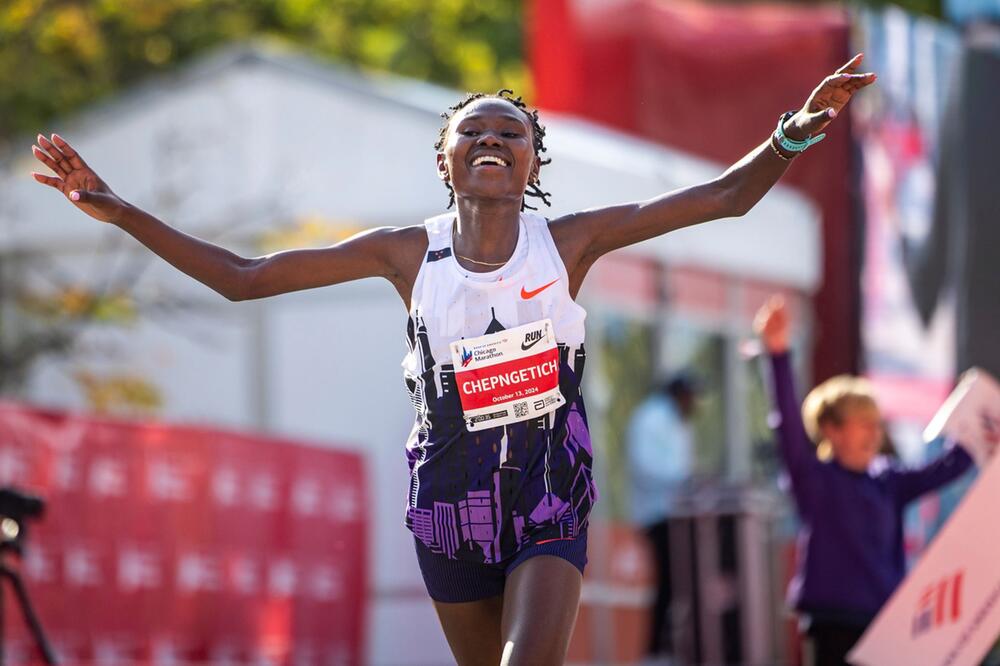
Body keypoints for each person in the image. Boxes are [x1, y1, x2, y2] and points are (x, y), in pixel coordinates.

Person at [31, 55, 875, 665]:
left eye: (512, 133)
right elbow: (245, 279)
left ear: (533, 162)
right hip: (447, 502)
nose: (494, 141)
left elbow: (724, 199)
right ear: (444, 159)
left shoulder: (569, 242)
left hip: (549, 491)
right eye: (474, 131)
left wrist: (798, 129)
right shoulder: (406, 253)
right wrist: (116, 211)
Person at [753, 296, 975, 666]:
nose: (875, 432)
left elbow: (948, 467)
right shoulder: (814, 482)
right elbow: (787, 426)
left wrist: (978, 424)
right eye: (863, 422)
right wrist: (778, 354)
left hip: (885, 626)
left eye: (877, 422)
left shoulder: (889, 479)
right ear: (832, 430)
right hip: (832, 627)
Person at [626, 373, 700, 661]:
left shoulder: (676, 422)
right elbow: (646, 466)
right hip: (659, 515)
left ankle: (670, 649)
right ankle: (657, 652)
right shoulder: (652, 418)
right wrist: (684, 479)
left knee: (680, 584)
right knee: (669, 583)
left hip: (676, 515)